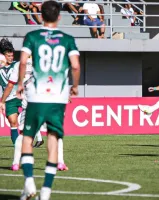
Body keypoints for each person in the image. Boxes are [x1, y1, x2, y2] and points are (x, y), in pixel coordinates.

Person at [17, 1, 80, 199]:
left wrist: (20, 83)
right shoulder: (68, 39)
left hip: (36, 94)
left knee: (27, 138)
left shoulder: (32, 36)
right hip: (57, 96)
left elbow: (23, 61)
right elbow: (76, 66)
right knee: (53, 139)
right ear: (59, 16)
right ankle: (45, 192)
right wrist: (75, 87)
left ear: (41, 16)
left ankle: (29, 182)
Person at [0, 58, 45, 171]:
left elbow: (11, 85)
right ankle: (59, 162)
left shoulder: (18, 65)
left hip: (27, 104)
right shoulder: (43, 63)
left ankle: (16, 163)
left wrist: (2, 101)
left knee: (22, 136)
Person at [0, 38, 21, 145]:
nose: (11, 58)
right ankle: (18, 150)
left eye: (12, 55)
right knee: (13, 122)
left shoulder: (17, 65)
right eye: (9, 56)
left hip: (22, 96)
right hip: (9, 98)